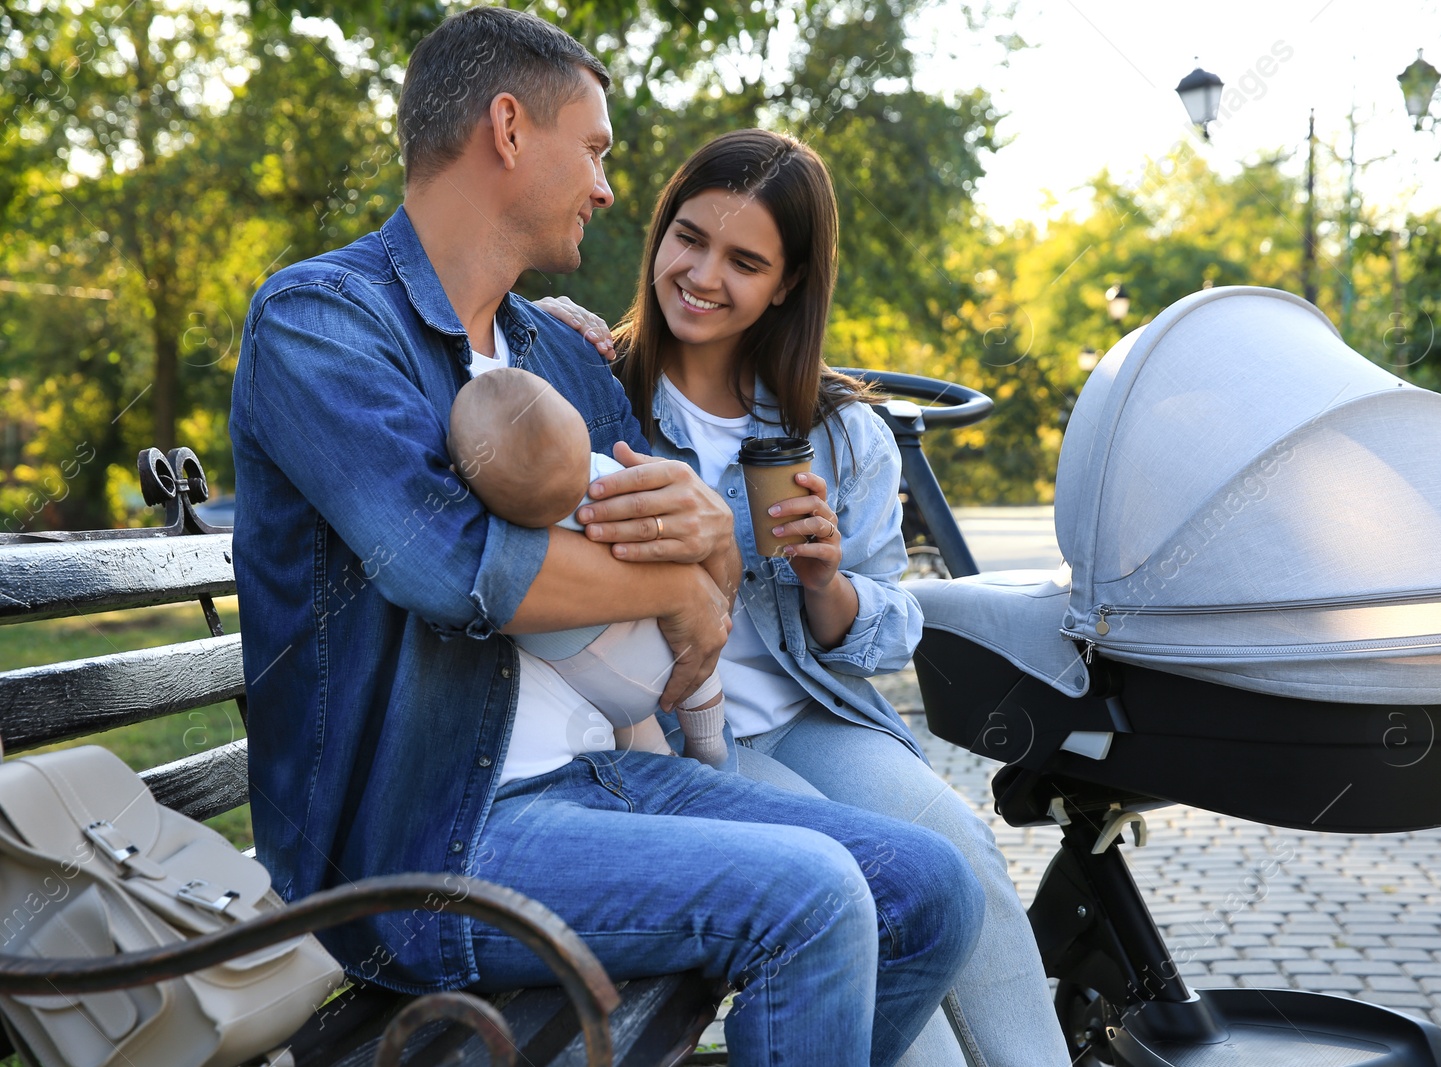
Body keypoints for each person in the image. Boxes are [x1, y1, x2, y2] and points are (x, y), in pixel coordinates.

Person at [229, 9, 983, 1066]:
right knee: (810, 900)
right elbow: (446, 564)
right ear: (507, 129)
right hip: (421, 847)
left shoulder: (555, 351)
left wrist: (704, 549)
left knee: (931, 885)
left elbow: (707, 563)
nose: (607, 186)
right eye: (594, 148)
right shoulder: (324, 319)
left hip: (595, 780)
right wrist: (676, 588)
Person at [546, 128, 1072, 1067]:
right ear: (659, 231)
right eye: (689, 238)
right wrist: (537, 318)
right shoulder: (593, 386)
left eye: (745, 261)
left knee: (964, 856)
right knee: (871, 903)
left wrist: (828, 584)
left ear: (786, 284)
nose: (703, 275)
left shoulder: (837, 432)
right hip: (681, 740)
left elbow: (887, 620)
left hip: (812, 714)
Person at [447, 365, 727, 765]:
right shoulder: (605, 479)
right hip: (654, 648)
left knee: (641, 744)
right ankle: (710, 750)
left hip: (583, 679)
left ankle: (665, 764)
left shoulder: (486, 509)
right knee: (703, 684)